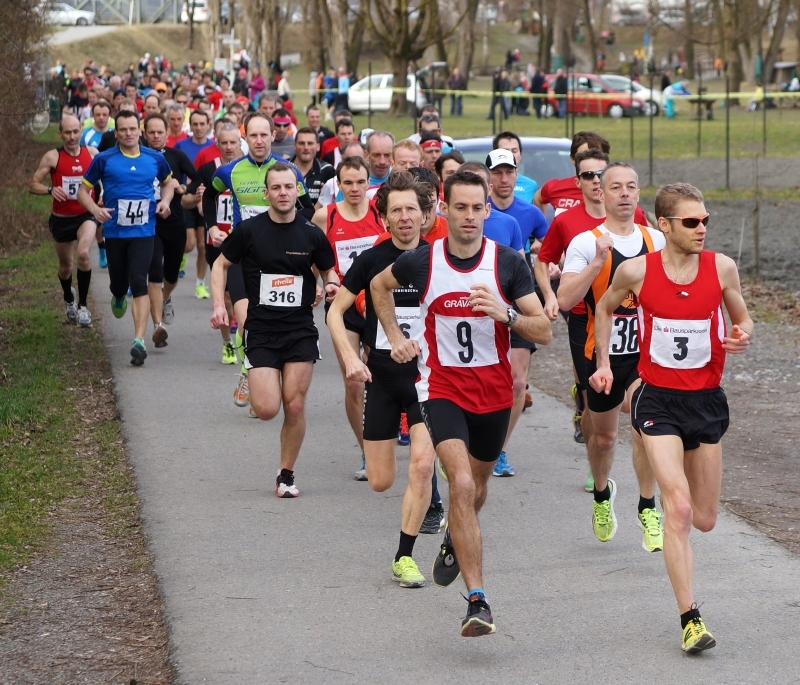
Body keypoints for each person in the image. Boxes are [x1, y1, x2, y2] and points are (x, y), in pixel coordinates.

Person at [371, 170, 551, 637]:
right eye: (461, 207)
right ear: (443, 211)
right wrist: (394, 337)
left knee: (477, 490)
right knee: (463, 483)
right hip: (441, 389)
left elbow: (544, 330)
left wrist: (506, 313)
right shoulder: (423, 262)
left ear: (488, 211)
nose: (470, 216)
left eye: (478, 208)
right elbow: (378, 287)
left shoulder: (508, 262)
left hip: (493, 395)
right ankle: (478, 601)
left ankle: (455, 535)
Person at [590, 182, 753, 652]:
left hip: (705, 402)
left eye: (705, 220)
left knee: (704, 519)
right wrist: (603, 364)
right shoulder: (636, 272)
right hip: (656, 400)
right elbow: (602, 309)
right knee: (678, 511)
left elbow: (743, 317)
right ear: (664, 225)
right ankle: (691, 618)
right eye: (691, 221)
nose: (701, 228)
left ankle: (667, 508)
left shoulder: (722, 267)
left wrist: (742, 334)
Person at [328, 171, 437, 587]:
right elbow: (335, 314)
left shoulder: (438, 259)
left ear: (424, 216)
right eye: (397, 211)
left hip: (429, 382)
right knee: (380, 481)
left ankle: (404, 556)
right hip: (384, 380)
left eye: (412, 209)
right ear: (384, 219)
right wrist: (350, 359)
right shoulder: (371, 260)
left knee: (422, 468)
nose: (406, 217)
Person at [210, 162, 339, 498]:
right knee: (267, 409)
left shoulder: (311, 233)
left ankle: (286, 474)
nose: (283, 193)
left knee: (294, 406)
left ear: (297, 191)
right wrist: (219, 306)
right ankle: (249, 367)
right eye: (276, 188)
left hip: (299, 329)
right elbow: (220, 264)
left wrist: (331, 286)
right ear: (266, 193)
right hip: (262, 328)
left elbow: (329, 271)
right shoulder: (250, 230)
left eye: (289, 187)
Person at [556, 162, 665, 551]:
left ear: (638, 194)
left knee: (646, 428)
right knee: (603, 439)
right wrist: (598, 263)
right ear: (600, 193)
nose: (623, 193)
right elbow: (565, 299)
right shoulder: (587, 242)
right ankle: (602, 495)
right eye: (615, 187)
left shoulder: (656, 241)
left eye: (630, 187)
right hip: (600, 355)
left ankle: (648, 505)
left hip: (645, 355)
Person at [204, 113, 313, 408]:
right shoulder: (230, 171)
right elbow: (208, 197)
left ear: (273, 136)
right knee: (249, 322)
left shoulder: (287, 172)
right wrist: (213, 226)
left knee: (277, 322)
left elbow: (308, 211)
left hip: (280, 260)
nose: (260, 140)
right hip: (243, 256)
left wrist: (290, 234)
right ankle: (250, 372)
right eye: (253, 135)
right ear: (246, 138)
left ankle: (261, 374)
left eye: (265, 134)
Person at [78, 110, 174, 366]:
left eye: (132, 129)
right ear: (116, 132)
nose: (128, 134)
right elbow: (82, 191)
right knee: (119, 285)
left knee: (140, 282)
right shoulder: (105, 159)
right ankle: (118, 295)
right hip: (115, 233)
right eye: (123, 130)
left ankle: (139, 340)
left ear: (139, 130)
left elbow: (168, 183)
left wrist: (165, 201)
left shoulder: (154, 158)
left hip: (144, 231)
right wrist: (95, 210)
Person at [311, 156, 386, 479]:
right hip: (341, 304)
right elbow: (316, 258)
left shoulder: (380, 214)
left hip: (378, 305)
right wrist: (322, 282)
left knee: (381, 377)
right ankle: (367, 451)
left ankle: (383, 434)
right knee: (354, 383)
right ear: (337, 186)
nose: (355, 188)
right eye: (348, 183)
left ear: (368, 184)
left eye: (360, 182)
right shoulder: (323, 216)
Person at [535, 149, 610, 465]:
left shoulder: (632, 215)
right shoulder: (566, 221)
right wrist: (550, 297)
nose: (596, 181)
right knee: (593, 393)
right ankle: (597, 459)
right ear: (577, 182)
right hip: (583, 316)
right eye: (589, 175)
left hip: (628, 318)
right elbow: (543, 261)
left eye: (601, 174)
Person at [28, 114, 98, 327]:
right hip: (61, 218)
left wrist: (103, 194)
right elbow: (33, 184)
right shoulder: (52, 157)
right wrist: (50, 189)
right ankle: (69, 297)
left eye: (76, 131)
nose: (72, 136)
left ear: (81, 132)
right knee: (66, 267)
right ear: (60, 134)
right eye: (67, 132)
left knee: (84, 254)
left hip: (86, 215)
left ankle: (83, 307)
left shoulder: (92, 154)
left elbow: (106, 177)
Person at [141, 113, 196, 349]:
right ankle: (157, 326)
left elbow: (197, 179)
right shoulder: (140, 158)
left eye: (159, 132)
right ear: (144, 134)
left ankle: (165, 297)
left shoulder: (176, 156)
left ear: (167, 134)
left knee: (171, 275)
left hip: (174, 223)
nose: (155, 136)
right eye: (151, 132)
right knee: (154, 271)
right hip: (149, 223)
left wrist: (183, 187)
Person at [175, 109, 215, 298]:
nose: (199, 128)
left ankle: (200, 284)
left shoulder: (215, 146)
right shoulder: (181, 145)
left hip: (208, 200)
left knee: (202, 245)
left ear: (209, 125)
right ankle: (180, 258)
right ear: (190, 126)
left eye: (202, 124)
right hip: (188, 197)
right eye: (195, 124)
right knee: (189, 244)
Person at [534, 131, 611, 216]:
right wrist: (541, 227)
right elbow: (538, 199)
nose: (589, 159)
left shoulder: (616, 190)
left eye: (596, 154)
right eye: (583, 155)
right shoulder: (556, 187)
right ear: (573, 159)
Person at [290, 127, 335, 204]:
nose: (306, 147)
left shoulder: (327, 170)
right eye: (301, 143)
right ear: (294, 146)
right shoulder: (282, 168)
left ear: (318, 147)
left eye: (310, 143)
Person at [315, 140, 365, 208]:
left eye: (358, 160)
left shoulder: (372, 182)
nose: (354, 164)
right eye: (350, 160)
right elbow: (317, 209)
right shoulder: (331, 184)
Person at [493, 131, 538, 203]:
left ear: (520, 154)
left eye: (514, 151)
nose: (510, 155)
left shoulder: (531, 186)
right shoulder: (485, 184)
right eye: (505, 151)